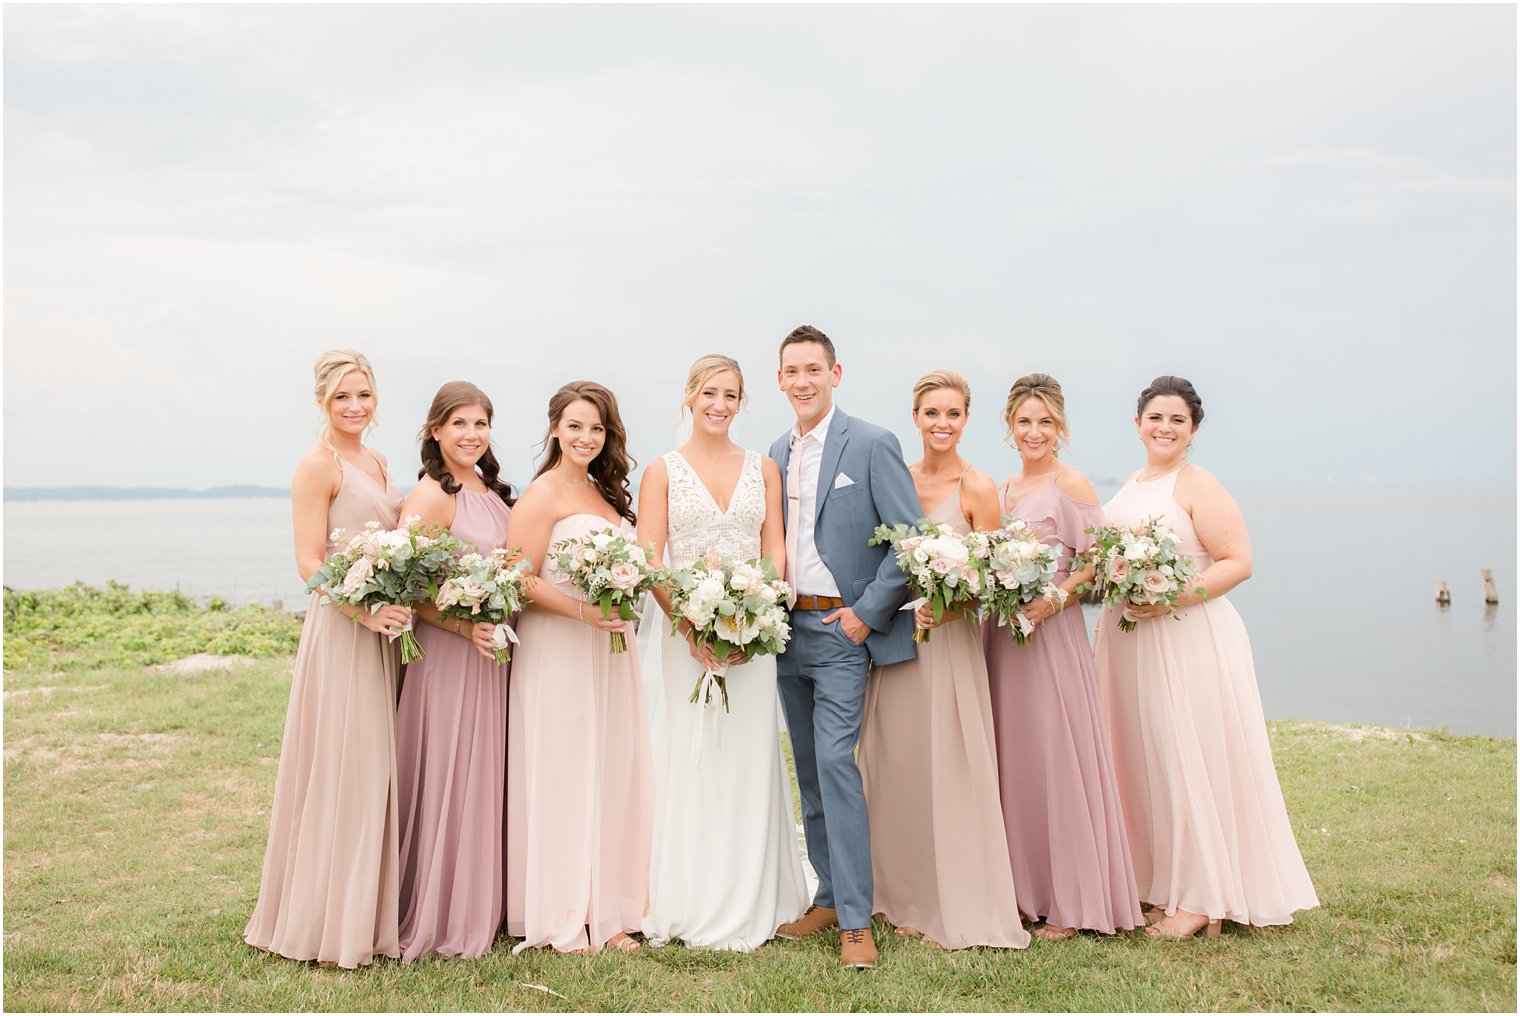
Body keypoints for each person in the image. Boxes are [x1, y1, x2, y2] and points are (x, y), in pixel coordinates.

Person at [1094, 375, 1319, 939]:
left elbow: (1237, 561)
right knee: (1141, 759)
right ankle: (1164, 883)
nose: (1164, 428)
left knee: (1183, 754)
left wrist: (1167, 596)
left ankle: (1202, 898)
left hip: (1184, 636)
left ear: (1193, 431)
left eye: (1177, 420)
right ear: (1137, 423)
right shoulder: (1132, 483)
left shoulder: (1198, 484)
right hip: (1129, 638)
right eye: (1155, 418)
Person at [245, 349, 411, 969]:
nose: (355, 406)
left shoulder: (378, 460)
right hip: (344, 631)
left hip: (385, 630)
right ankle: (324, 921)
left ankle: (366, 910)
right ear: (322, 402)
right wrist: (363, 610)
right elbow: (309, 564)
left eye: (364, 395)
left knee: (376, 768)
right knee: (346, 764)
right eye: (343, 396)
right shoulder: (317, 466)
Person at [637, 354, 808, 952]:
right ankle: (687, 891)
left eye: (731, 395)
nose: (720, 404)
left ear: (742, 403)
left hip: (751, 638)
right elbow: (649, 560)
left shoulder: (763, 468)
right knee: (690, 753)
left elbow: (776, 551)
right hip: (684, 635)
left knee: (748, 750)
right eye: (710, 392)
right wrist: (688, 624)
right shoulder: (661, 471)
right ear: (689, 395)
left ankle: (752, 888)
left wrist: (753, 613)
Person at [767, 325, 922, 970]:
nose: (802, 381)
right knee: (807, 768)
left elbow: (910, 544)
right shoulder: (773, 452)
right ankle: (827, 895)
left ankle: (857, 921)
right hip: (785, 632)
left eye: (813, 369)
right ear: (780, 381)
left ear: (836, 373)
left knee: (836, 764)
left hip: (840, 631)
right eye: (791, 372)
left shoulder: (873, 443)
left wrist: (864, 615)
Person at [857, 371, 1029, 950]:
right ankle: (899, 891)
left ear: (965, 419)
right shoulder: (898, 480)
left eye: (952, 414)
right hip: (896, 645)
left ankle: (952, 899)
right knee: (898, 764)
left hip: (949, 645)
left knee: (950, 767)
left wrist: (951, 611)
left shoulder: (977, 487)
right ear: (915, 417)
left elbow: (998, 580)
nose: (941, 424)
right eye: (931, 413)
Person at [981, 373, 1141, 940]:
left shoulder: (1072, 484)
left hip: (1051, 635)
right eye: (1024, 422)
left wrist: (1052, 599)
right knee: (1013, 755)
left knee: (1057, 754)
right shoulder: (1000, 490)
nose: (1034, 432)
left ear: (1060, 426)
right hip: (1002, 636)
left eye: (1044, 422)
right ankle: (1025, 891)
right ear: (1009, 427)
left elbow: (1096, 562)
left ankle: (1073, 902)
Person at [505, 381, 654, 954]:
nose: (586, 437)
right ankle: (566, 907)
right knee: (566, 771)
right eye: (574, 426)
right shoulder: (541, 494)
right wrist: (585, 610)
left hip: (609, 651)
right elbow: (520, 578)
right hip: (559, 649)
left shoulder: (605, 494)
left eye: (596, 428)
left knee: (610, 768)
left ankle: (610, 906)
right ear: (554, 429)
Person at [394, 381, 516, 960]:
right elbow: (408, 590)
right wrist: (468, 628)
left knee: (483, 774)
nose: (472, 435)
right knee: (447, 772)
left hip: (491, 657)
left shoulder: (490, 490)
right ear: (435, 431)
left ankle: (480, 903)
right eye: (459, 424)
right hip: (448, 657)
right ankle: (440, 911)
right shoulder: (430, 496)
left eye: (480, 424)